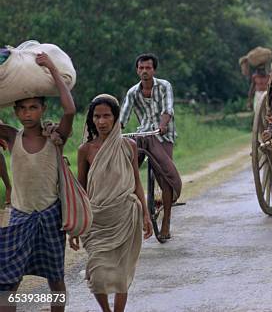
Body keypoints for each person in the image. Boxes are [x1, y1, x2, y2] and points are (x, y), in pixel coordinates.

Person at [0, 53, 75, 312]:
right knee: (8, 283)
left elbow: (70, 109)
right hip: (20, 216)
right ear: (15, 111)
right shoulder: (11, 136)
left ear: (43, 108)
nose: (27, 113)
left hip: (50, 216)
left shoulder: (56, 138)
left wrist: (52, 68)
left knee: (55, 280)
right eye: (22, 108)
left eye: (33, 107)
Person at [71, 95, 152, 312]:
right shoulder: (85, 150)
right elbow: (81, 188)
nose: (101, 121)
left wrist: (146, 214)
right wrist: (76, 224)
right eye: (97, 116)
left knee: (121, 274)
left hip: (126, 215)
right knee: (97, 276)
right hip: (96, 219)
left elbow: (136, 182)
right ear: (91, 119)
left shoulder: (129, 146)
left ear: (116, 118)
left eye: (107, 116)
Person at [119, 53, 181, 240]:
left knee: (165, 174)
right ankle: (126, 210)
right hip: (143, 135)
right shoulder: (133, 92)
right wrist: (115, 131)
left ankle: (166, 221)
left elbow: (167, 109)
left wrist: (163, 125)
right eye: (141, 68)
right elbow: (123, 116)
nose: (144, 71)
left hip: (163, 135)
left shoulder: (164, 86)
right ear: (137, 70)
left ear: (154, 70)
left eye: (148, 68)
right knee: (127, 170)